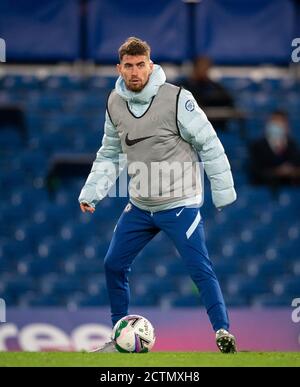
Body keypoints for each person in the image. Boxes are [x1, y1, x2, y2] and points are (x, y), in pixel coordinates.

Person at [79, 37, 237, 353]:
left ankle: (222, 331)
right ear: (119, 69)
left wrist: (222, 192)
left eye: (141, 65)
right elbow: (110, 152)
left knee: (199, 269)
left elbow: (209, 142)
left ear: (150, 66)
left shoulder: (178, 99)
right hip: (139, 204)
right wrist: (92, 192)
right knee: (113, 264)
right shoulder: (114, 102)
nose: (135, 72)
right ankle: (119, 335)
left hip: (180, 204)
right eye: (129, 66)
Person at [180, 56, 235, 131]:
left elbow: (229, 103)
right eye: (201, 67)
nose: (204, 70)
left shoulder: (216, 87)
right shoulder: (183, 87)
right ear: (194, 69)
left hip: (214, 126)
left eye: (206, 68)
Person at [249, 110, 300, 187]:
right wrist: (277, 172)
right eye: (274, 121)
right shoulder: (258, 145)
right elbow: (256, 170)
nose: (276, 125)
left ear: (286, 125)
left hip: (289, 186)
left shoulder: (292, 144)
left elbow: (296, 165)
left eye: (280, 122)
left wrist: (292, 171)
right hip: (265, 187)